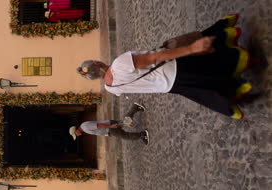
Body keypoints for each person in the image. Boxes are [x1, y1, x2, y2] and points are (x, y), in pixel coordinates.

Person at [76, 14, 256, 120]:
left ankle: (238, 92)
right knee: (215, 62)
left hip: (169, 86)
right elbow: (156, 57)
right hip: (174, 67)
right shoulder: (118, 64)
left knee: (208, 87)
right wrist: (192, 49)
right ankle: (245, 57)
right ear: (98, 63)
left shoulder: (110, 88)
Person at [69, 103, 150, 145]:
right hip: (109, 128)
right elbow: (98, 128)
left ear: (76, 131)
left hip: (110, 128)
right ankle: (135, 108)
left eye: (76, 135)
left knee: (125, 135)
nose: (78, 136)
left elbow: (98, 126)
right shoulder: (84, 127)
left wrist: (111, 126)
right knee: (126, 122)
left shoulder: (85, 127)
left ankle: (142, 135)